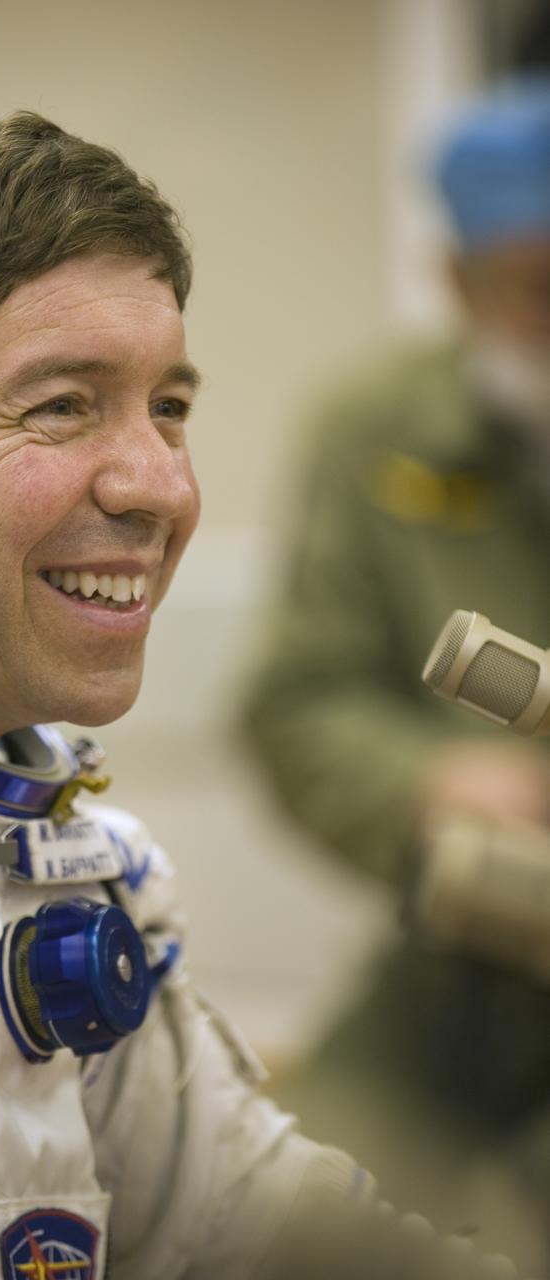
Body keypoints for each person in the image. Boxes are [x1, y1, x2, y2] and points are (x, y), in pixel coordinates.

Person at [0, 103, 526, 1280]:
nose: (161, 486)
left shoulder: (69, 846)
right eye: (59, 405)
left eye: (168, 408)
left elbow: (251, 1219)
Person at [242, 76, 550, 1267]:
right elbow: (293, 702)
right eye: (537, 289)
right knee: (301, 1223)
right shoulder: (376, 431)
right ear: (455, 281)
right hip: (463, 952)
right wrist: (433, 781)